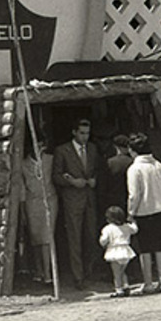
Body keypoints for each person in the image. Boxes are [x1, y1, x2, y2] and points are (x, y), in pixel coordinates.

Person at [126, 132, 161, 293]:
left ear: (132, 150)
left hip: (144, 211)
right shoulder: (158, 165)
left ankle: (148, 282)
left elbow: (134, 194)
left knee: (145, 249)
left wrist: (131, 212)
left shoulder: (135, 169)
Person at [53, 119, 99, 289]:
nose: (85, 137)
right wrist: (72, 182)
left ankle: (89, 270)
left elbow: (97, 170)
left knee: (91, 235)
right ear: (74, 132)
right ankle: (77, 276)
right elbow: (56, 176)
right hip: (72, 200)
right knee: (74, 238)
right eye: (81, 133)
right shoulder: (62, 150)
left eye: (87, 133)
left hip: (89, 198)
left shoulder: (93, 149)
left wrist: (95, 180)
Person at [21, 131, 58, 283]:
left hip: (50, 200)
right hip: (32, 202)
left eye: (42, 145)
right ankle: (39, 270)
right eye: (37, 144)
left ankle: (49, 273)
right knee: (35, 238)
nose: (40, 147)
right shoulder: (23, 164)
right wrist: (22, 208)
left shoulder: (50, 160)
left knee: (47, 237)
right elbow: (22, 187)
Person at [99, 205, 138, 297]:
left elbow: (104, 240)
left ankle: (118, 289)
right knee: (122, 271)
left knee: (116, 273)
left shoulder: (108, 228)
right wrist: (133, 222)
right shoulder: (126, 227)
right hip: (126, 250)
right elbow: (135, 230)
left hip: (114, 251)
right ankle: (126, 285)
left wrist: (102, 243)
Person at [104, 134, 134, 211]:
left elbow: (105, 183)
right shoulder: (133, 162)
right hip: (129, 198)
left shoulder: (110, 162)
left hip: (114, 199)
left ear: (116, 147)